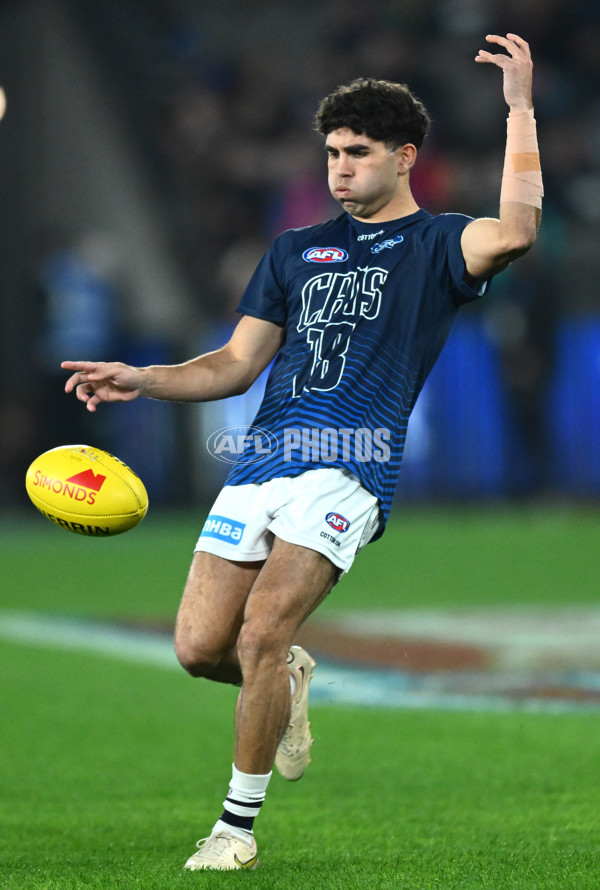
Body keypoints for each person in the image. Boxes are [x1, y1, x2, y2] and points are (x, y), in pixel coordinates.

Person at [62, 33, 542, 871]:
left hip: (351, 465)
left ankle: (233, 832)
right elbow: (234, 364)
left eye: (358, 153)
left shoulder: (438, 245)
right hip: (259, 463)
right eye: (331, 153)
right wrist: (144, 376)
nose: (340, 168)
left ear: (404, 158)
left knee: (261, 632)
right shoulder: (292, 252)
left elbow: (518, 232)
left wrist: (519, 109)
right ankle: (286, 680)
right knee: (199, 650)